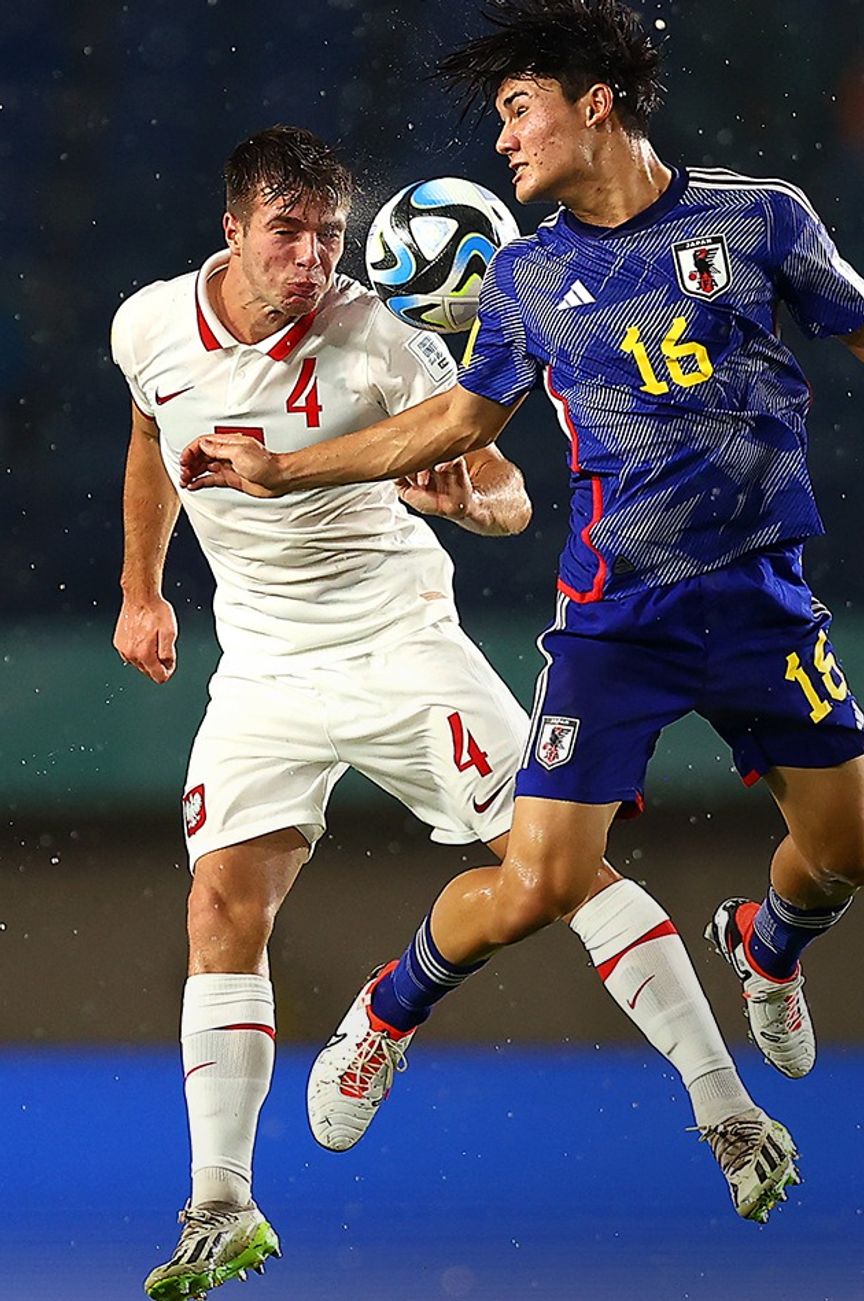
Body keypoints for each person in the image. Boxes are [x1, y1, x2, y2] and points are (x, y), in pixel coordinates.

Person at [182, 0, 864, 1227]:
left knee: (850, 856)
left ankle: (767, 943)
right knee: (534, 888)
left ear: (597, 103)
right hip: (614, 620)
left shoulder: (759, 217)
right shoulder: (523, 276)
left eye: (521, 110)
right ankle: (385, 1014)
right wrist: (285, 468)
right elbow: (459, 426)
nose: (506, 142)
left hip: (759, 601)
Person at [115, 125, 791, 1301]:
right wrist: (140, 589)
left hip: (400, 646)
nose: (313, 257)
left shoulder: (383, 340)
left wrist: (464, 501)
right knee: (221, 902)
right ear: (232, 230)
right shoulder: (149, 327)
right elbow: (146, 434)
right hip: (263, 667)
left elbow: (509, 495)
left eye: (329, 233)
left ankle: (726, 1109)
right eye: (288, 232)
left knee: (562, 868)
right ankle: (220, 1200)